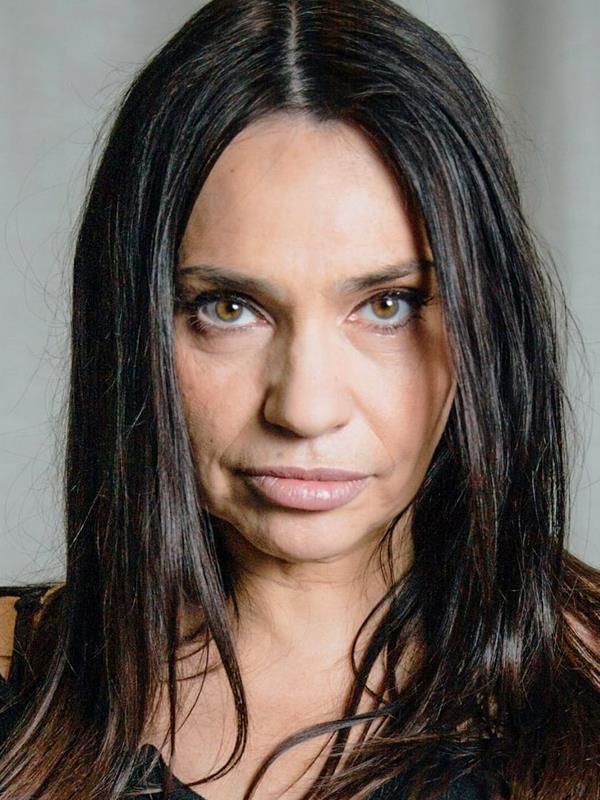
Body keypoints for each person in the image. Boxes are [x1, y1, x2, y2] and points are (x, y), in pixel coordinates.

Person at [0, 0, 598, 798]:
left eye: (388, 304)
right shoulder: (17, 693)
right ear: (133, 329)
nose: (305, 408)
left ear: (486, 326)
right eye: (228, 308)